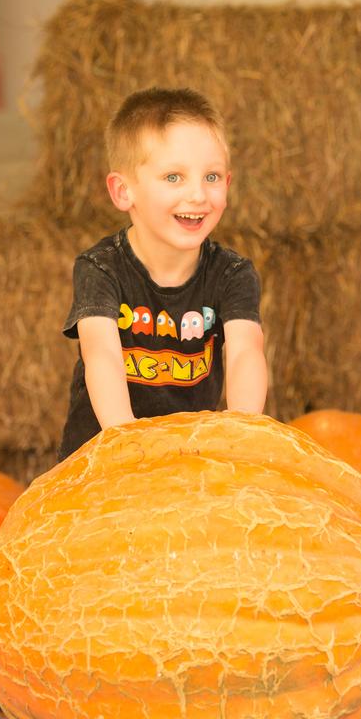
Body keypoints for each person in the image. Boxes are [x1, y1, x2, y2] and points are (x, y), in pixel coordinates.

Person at [58, 87, 267, 460]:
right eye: (174, 177)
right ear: (124, 192)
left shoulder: (232, 274)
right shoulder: (102, 269)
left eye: (212, 177)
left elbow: (245, 353)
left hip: (189, 459)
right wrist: (127, 440)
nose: (198, 195)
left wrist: (243, 432)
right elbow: (102, 355)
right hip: (104, 460)